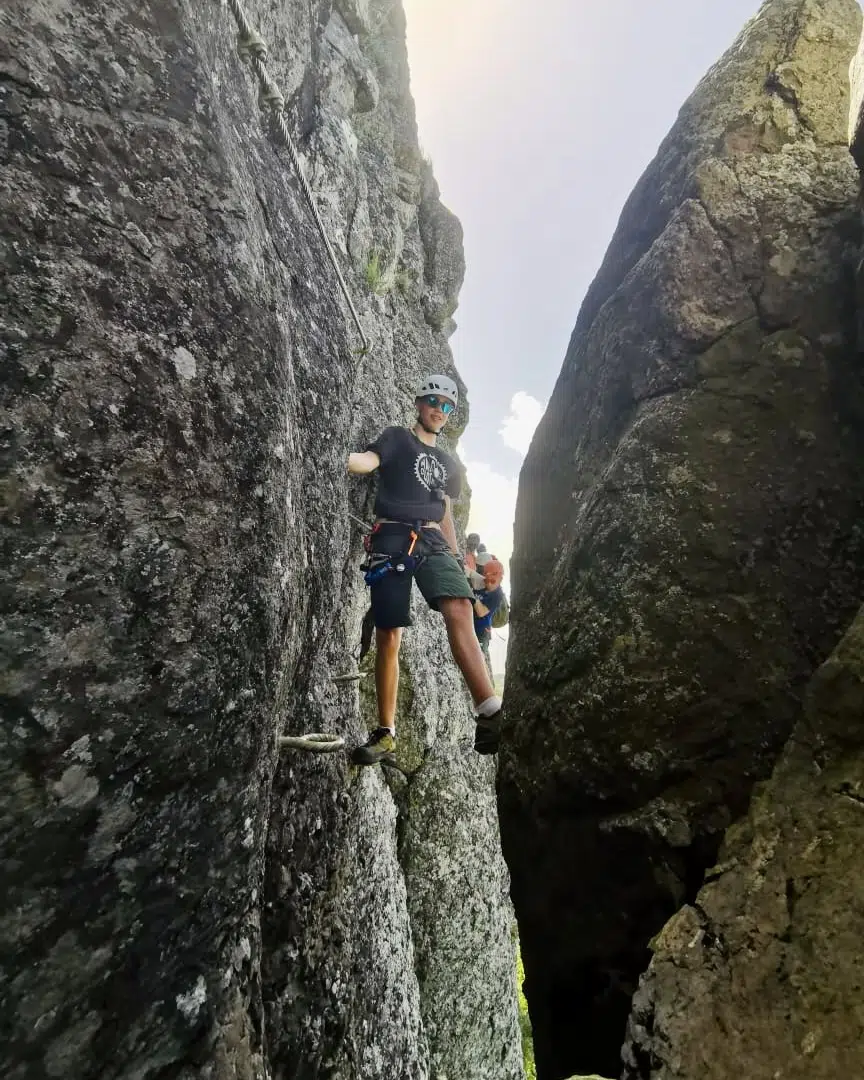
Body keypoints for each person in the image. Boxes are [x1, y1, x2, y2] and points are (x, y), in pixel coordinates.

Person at [347, 374, 502, 763]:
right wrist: (341, 458)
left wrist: (456, 557)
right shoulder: (398, 438)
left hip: (433, 540)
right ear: (420, 402)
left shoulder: (449, 462)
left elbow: (446, 509)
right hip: (393, 537)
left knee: (460, 606)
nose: (440, 409)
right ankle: (386, 733)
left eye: (447, 406)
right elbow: (370, 462)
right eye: (434, 400)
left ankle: (489, 712)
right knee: (389, 634)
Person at [472, 554, 505, 677]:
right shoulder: (481, 583)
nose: (489, 583)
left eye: (492, 581)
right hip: (472, 627)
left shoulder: (497, 595)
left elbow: (481, 612)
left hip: (481, 632)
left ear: (500, 579)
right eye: (487, 580)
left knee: (479, 659)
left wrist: (471, 595)